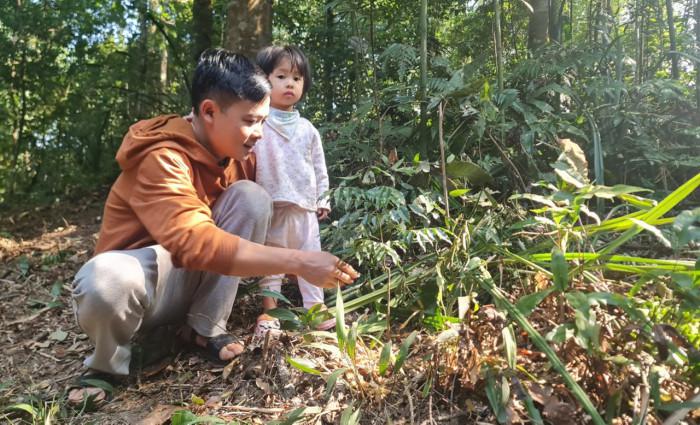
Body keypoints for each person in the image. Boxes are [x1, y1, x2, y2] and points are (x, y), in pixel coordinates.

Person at [68, 48, 358, 404]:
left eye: (264, 121)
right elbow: (194, 242)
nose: (259, 134)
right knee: (105, 279)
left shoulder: (237, 156)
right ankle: (105, 365)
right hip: (144, 288)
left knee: (252, 197)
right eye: (250, 121)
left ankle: (203, 327)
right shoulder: (163, 157)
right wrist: (299, 261)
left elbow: (273, 195)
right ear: (208, 111)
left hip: (194, 277)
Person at [252, 45, 334, 336]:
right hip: (271, 205)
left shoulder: (308, 129)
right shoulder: (258, 123)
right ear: (264, 81)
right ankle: (270, 312)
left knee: (311, 258)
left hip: (305, 208)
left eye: (297, 78)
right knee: (272, 263)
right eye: (281, 76)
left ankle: (315, 310)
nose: (290, 83)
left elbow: (319, 166)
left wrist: (323, 198)